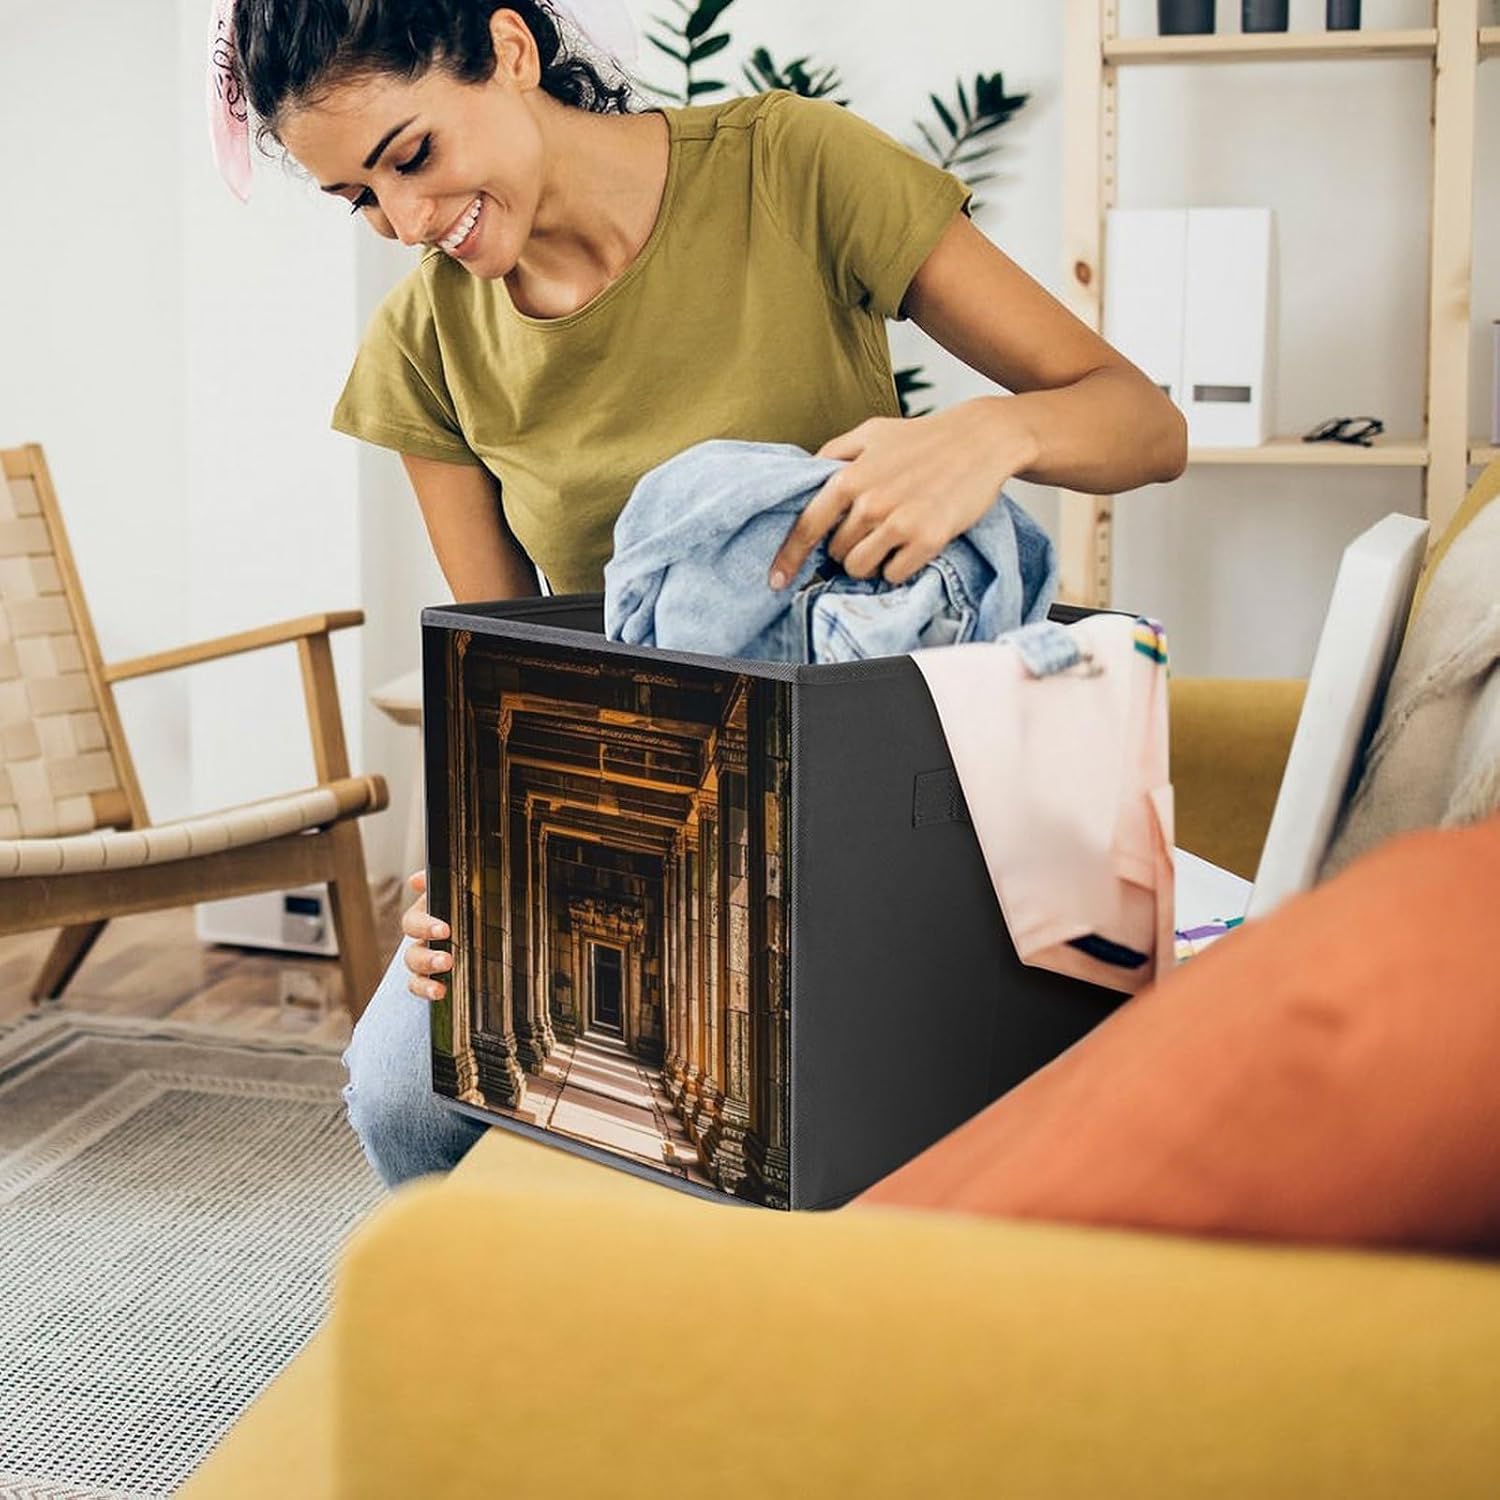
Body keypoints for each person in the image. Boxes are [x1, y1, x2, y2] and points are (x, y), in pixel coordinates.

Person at [224, 0, 1186, 1186]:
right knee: (402, 1091)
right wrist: (477, 879)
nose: (408, 221)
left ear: (510, 52)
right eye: (358, 199)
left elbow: (1147, 427)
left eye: (412, 155)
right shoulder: (425, 341)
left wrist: (994, 434)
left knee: (800, 1107)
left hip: (884, 783)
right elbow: (509, 675)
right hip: (637, 826)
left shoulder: (792, 168)